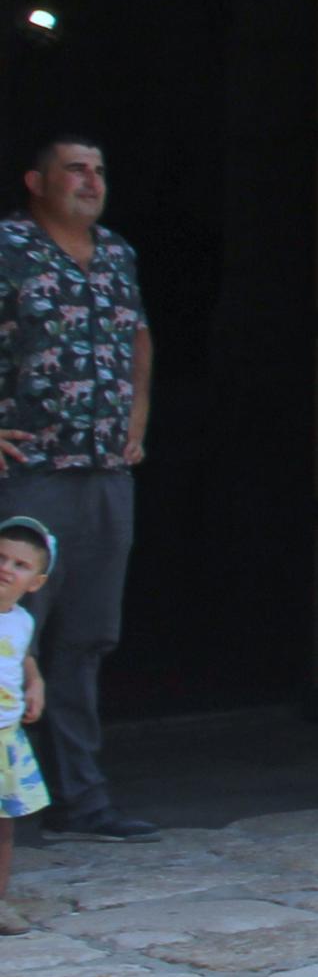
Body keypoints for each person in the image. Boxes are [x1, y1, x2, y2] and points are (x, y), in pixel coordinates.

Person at [0, 137, 152, 840]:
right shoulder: (9, 246)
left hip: (105, 476)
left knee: (87, 640)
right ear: (37, 180)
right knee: (9, 634)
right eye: (76, 168)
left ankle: (83, 799)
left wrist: (137, 422)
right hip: (32, 473)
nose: (92, 179)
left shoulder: (118, 251)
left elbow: (138, 340)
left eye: (99, 167)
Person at [0, 517, 48, 930]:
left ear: (35, 582)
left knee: (3, 828)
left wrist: (36, 684)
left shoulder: (22, 620)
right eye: (0, 558)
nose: (6, 569)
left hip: (5, 738)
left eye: (19, 565)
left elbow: (24, 656)